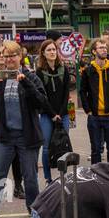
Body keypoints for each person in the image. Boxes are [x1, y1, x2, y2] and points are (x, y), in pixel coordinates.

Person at [0, 39, 49, 218]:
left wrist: (25, 83)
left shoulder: (30, 76)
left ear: (21, 56)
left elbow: (41, 102)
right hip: (4, 136)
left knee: (30, 177)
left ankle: (34, 209)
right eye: (5, 55)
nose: (8, 59)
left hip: (27, 137)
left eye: (12, 55)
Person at [79, 36, 109, 166]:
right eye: (101, 48)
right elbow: (82, 91)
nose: (104, 50)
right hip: (94, 117)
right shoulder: (88, 71)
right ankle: (96, 175)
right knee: (96, 150)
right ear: (94, 51)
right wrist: (88, 110)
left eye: (105, 47)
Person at [35, 37, 74, 184]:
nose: (52, 52)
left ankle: (62, 175)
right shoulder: (39, 72)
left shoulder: (63, 70)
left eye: (53, 49)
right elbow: (41, 96)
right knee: (46, 148)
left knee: (62, 145)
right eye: (48, 50)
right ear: (43, 53)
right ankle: (47, 177)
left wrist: (61, 112)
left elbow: (66, 93)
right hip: (47, 115)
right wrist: (52, 114)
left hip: (63, 114)